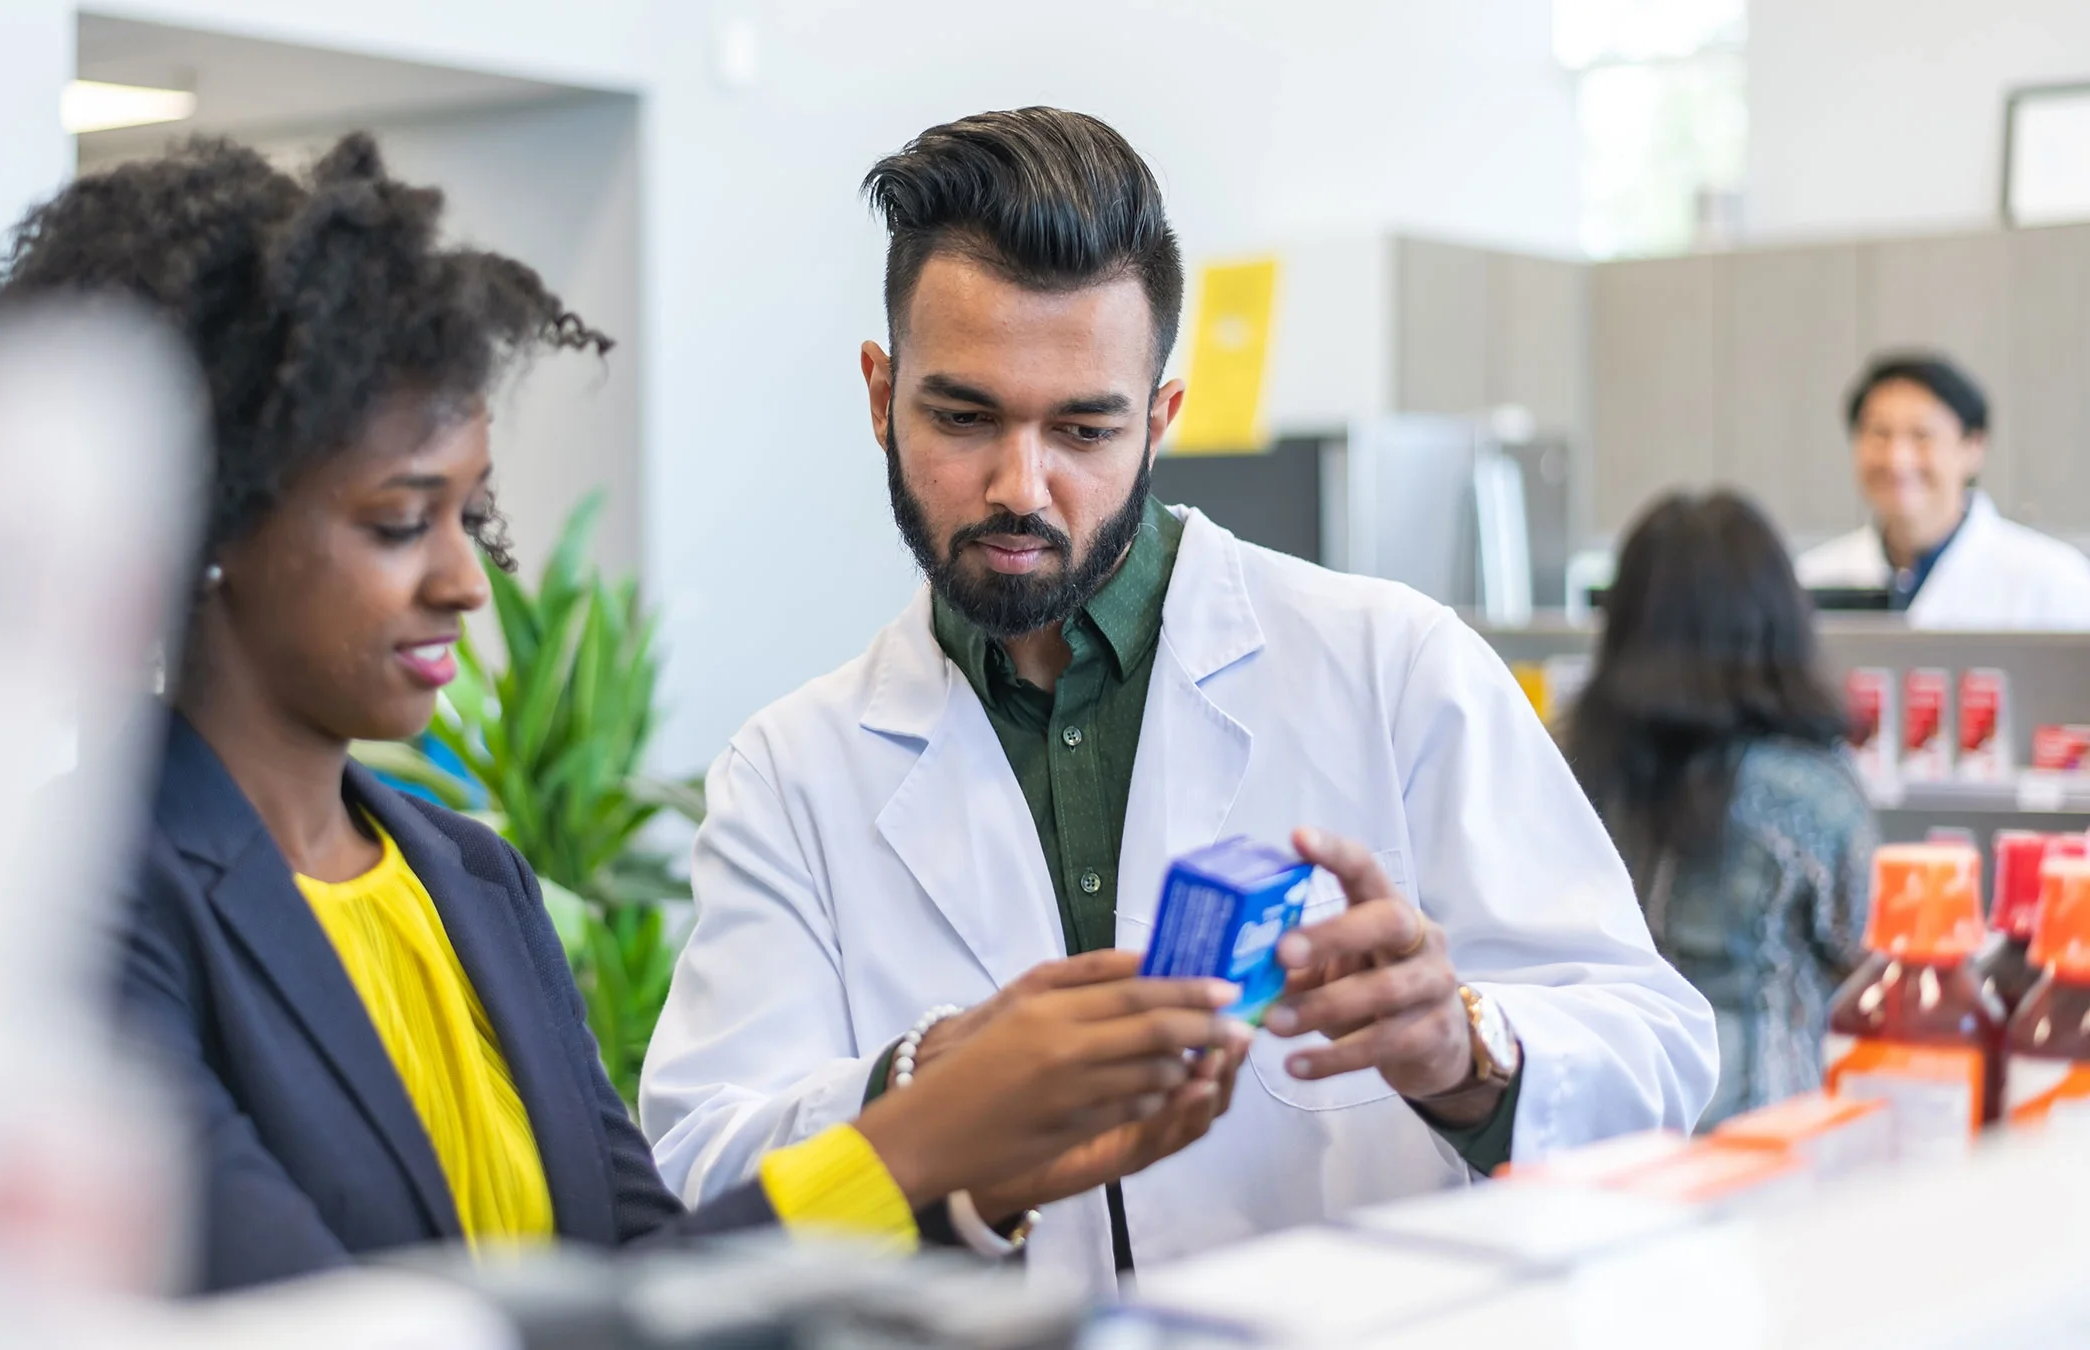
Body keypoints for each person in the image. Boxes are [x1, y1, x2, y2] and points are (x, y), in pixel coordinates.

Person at [0, 134, 1254, 1293]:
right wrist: (915, 1132)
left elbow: (647, 1276)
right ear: (200, 522)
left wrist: (976, 1167)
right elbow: (338, 1328)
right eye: (399, 521)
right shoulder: (61, 904)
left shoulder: (470, 881)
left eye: (471, 513)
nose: (468, 578)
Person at [640, 107, 1718, 1296]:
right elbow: (706, 1169)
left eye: (1084, 428)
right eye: (962, 417)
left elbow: (1656, 1047)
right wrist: (932, 1085)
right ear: (880, 393)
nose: (1020, 486)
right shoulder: (792, 772)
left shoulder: (1394, 666)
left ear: (1159, 419)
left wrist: (1467, 1046)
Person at [1567, 492, 1875, 1129]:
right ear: (1778, 621)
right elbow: (1870, 960)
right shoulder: (1806, 796)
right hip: (1766, 1137)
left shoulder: (1572, 771)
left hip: (1603, 1125)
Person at [1797, 352, 2090, 628]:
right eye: (1879, 434)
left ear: (1973, 447)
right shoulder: (1809, 577)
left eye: (1921, 435)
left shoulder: (2055, 581)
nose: (1897, 459)